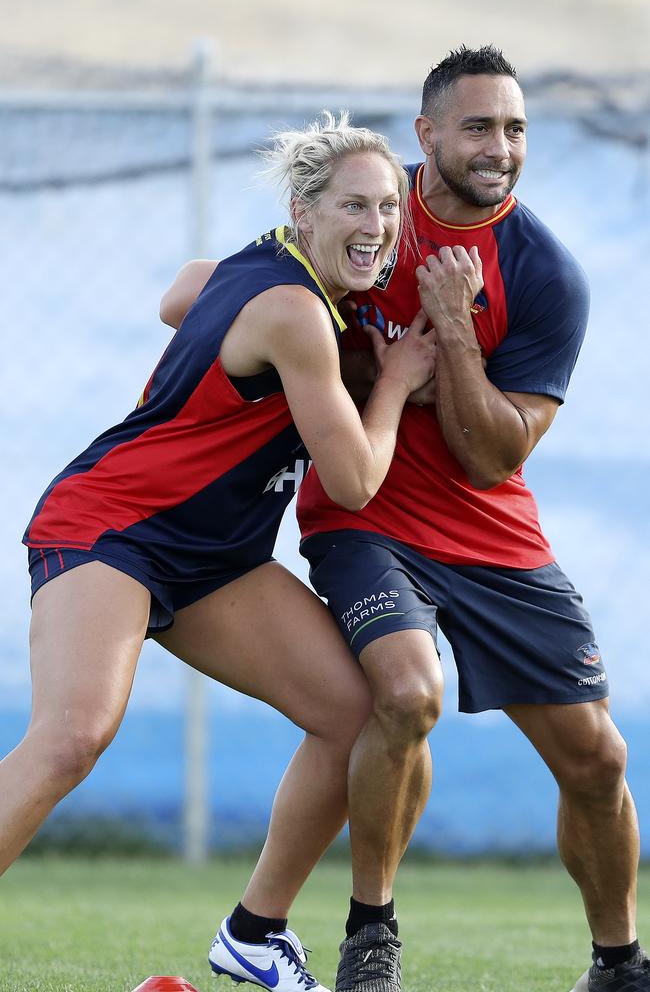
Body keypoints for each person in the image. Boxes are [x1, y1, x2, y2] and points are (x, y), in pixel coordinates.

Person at [8, 112, 438, 992]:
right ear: (304, 211)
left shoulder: (264, 272)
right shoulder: (294, 311)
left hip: (210, 559)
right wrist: (392, 383)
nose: (379, 225)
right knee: (72, 738)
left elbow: (182, 291)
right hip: (111, 527)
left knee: (355, 714)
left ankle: (254, 935)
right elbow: (354, 480)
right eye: (354, 205)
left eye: (390, 206)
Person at [294, 48, 648, 992]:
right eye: (480, 126)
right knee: (407, 696)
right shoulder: (365, 218)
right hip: (364, 515)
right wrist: (372, 379)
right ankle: (372, 935)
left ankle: (618, 961)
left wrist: (452, 329)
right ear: (428, 135)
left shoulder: (545, 276)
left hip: (492, 529)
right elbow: (273, 315)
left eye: (517, 128)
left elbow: (494, 453)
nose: (501, 147)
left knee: (597, 756)